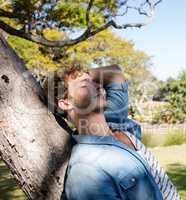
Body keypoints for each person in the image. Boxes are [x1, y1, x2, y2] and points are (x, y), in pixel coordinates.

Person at [45, 64, 163, 200]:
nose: (97, 85)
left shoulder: (115, 121)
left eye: (93, 81)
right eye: (84, 85)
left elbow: (115, 74)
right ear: (65, 103)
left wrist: (82, 74)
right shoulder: (86, 170)